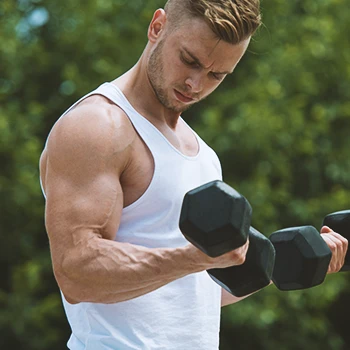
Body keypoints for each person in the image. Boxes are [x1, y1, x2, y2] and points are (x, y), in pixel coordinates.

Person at [39, 0, 348, 349]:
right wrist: (194, 257)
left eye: (217, 75)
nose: (195, 84)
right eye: (190, 60)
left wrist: (283, 265)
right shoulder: (98, 126)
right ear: (157, 27)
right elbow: (77, 273)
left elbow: (190, 293)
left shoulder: (203, 154)